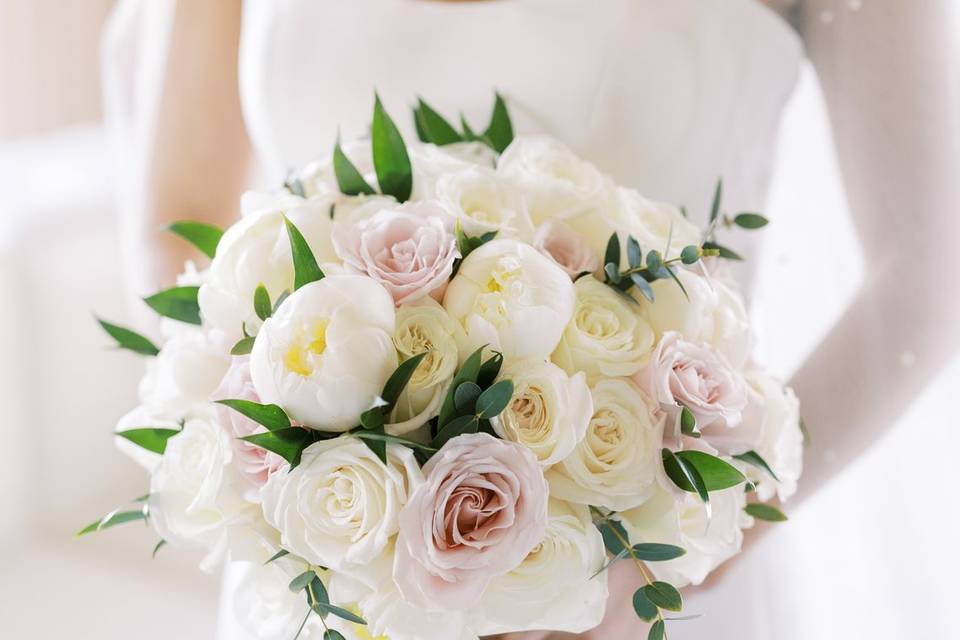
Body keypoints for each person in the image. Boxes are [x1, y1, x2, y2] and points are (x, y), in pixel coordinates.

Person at [101, 0, 960, 638]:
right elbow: (174, 216)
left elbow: (924, 278)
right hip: (322, 580)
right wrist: (270, 461)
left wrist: (674, 554)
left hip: (642, 600)